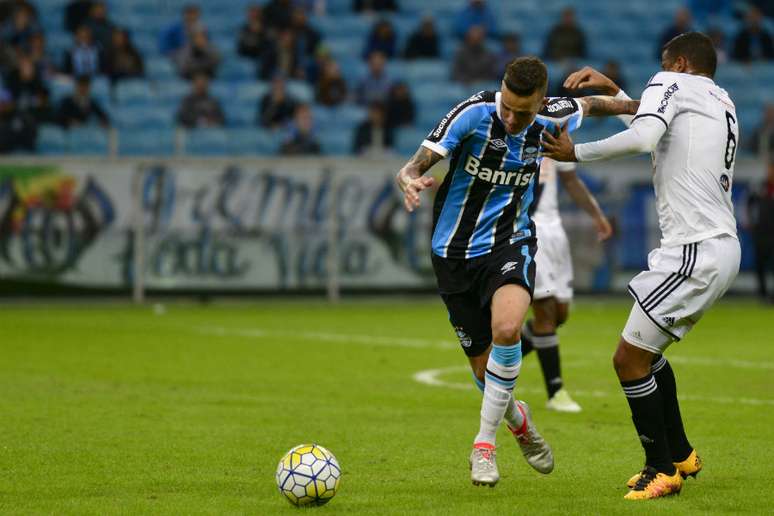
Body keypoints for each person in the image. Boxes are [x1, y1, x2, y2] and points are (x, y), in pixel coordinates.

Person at [395, 56, 638, 487]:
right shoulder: (473, 113)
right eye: (506, 106)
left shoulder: (552, 115)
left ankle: (483, 445)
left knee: (508, 329)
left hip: (511, 242)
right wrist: (410, 176)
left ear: (541, 102)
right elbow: (418, 162)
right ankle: (519, 422)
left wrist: (640, 105)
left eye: (521, 112)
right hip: (451, 254)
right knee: (482, 368)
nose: (510, 117)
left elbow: (600, 107)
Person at [542, 32, 740, 500]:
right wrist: (616, 91)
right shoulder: (721, 98)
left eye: (664, 65)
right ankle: (682, 453)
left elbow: (646, 133)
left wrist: (578, 153)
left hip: (694, 247)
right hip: (717, 245)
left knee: (627, 359)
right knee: (648, 353)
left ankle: (661, 468)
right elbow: (659, 116)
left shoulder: (671, 81)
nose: (661, 72)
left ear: (680, 63)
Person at [520, 157, 612, 413]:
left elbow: (570, 180)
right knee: (545, 312)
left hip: (555, 232)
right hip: (528, 228)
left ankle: (500, 365)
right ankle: (556, 391)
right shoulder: (514, 126)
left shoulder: (557, 127)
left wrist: (596, 214)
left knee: (559, 314)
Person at [747, 158, 774, 302]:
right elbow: (748, 203)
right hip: (762, 232)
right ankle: (763, 294)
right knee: (761, 264)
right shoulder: (760, 186)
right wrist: (750, 222)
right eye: (769, 169)